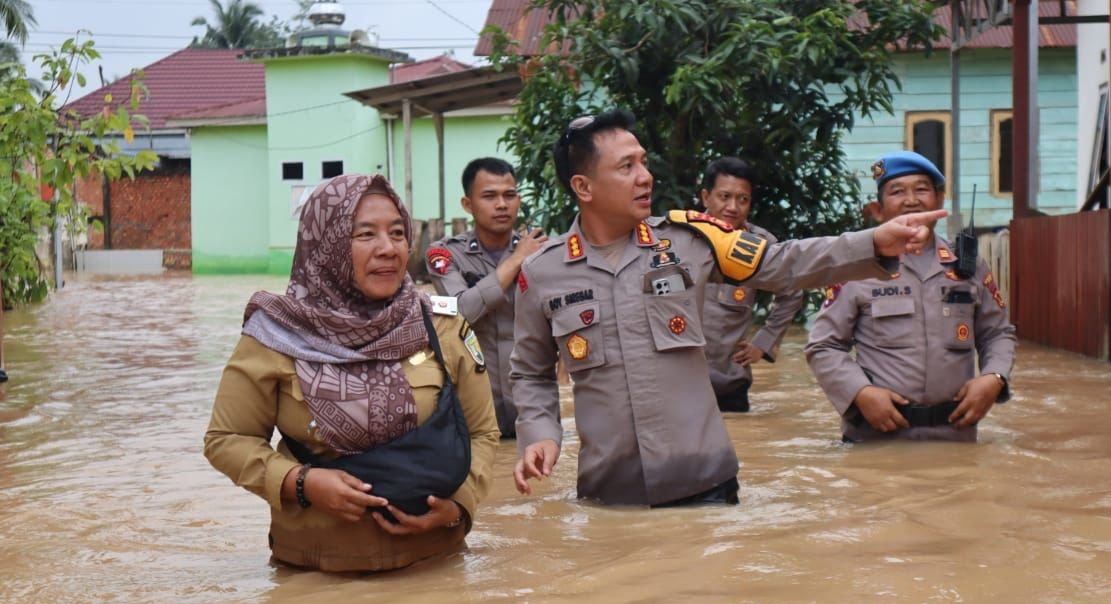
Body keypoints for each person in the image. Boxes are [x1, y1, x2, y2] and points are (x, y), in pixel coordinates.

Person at [509, 110, 946, 507]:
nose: (645, 177)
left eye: (643, 162)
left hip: (706, 486)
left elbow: (783, 264)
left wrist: (873, 241)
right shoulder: (542, 273)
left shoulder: (692, 241)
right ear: (583, 187)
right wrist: (540, 434)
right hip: (611, 494)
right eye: (627, 167)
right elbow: (529, 371)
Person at [204, 174, 499, 572]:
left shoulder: (440, 325)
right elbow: (227, 439)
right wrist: (300, 483)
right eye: (365, 235)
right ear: (326, 244)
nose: (388, 249)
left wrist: (457, 508)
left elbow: (482, 432)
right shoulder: (275, 335)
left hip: (434, 568)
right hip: (315, 575)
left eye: (398, 233)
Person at [804, 151, 1016, 442]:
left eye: (921, 189)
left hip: (955, 437)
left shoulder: (968, 267)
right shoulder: (857, 267)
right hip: (876, 439)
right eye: (897, 192)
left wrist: (994, 378)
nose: (911, 200)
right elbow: (823, 345)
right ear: (878, 209)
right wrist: (860, 392)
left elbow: (998, 333)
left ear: (939, 201)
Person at [426, 158, 547, 438]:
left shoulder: (542, 252)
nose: (502, 204)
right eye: (490, 196)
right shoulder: (444, 255)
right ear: (468, 204)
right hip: (475, 417)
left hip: (533, 412)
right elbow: (460, 312)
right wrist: (517, 260)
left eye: (510, 195)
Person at [697, 157, 806, 412]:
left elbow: (792, 290)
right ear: (706, 197)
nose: (733, 207)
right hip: (678, 385)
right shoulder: (680, 238)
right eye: (724, 196)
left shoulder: (760, 245)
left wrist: (764, 342)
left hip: (729, 384)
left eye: (742, 199)